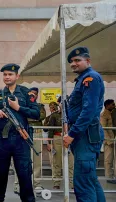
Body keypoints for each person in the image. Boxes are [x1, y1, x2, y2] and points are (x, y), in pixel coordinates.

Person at [0, 64, 40, 202]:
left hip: (21, 139)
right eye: (5, 74)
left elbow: (36, 114)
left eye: (10, 74)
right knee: (0, 173)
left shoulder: (27, 94)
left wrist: (18, 107)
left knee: (24, 173)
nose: (7, 77)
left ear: (17, 76)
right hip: (1, 140)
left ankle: (28, 199)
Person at [64, 47, 105, 201]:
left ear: (87, 61)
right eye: (72, 62)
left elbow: (89, 110)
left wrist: (72, 134)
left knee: (82, 184)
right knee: (90, 180)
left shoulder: (91, 78)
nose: (73, 64)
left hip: (85, 136)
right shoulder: (83, 78)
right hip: (85, 135)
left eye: (77, 60)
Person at [46, 101, 74, 189]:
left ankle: (71, 183)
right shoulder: (54, 115)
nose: (63, 106)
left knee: (71, 162)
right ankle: (56, 182)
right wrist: (49, 143)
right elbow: (50, 130)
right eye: (62, 104)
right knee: (57, 161)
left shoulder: (72, 115)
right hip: (57, 138)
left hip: (69, 138)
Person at [100, 99, 116, 183]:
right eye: (112, 104)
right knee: (108, 160)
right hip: (108, 140)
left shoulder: (113, 113)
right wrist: (109, 141)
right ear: (107, 105)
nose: (114, 106)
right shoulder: (104, 115)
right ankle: (109, 177)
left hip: (113, 138)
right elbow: (103, 129)